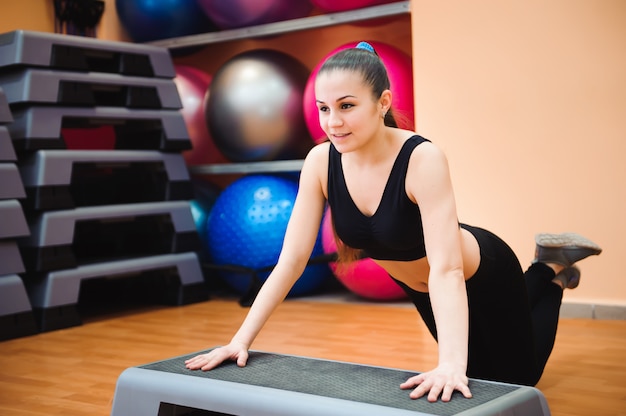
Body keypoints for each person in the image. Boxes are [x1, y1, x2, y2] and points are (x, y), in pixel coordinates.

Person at [185, 42, 602, 402]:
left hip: (479, 271)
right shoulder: (319, 162)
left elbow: (447, 269)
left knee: (516, 381)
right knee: (482, 372)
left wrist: (451, 365)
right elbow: (290, 262)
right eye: (324, 108)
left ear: (382, 102)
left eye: (347, 107)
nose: (333, 122)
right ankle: (549, 263)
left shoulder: (422, 159)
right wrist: (239, 341)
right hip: (424, 288)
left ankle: (549, 273)